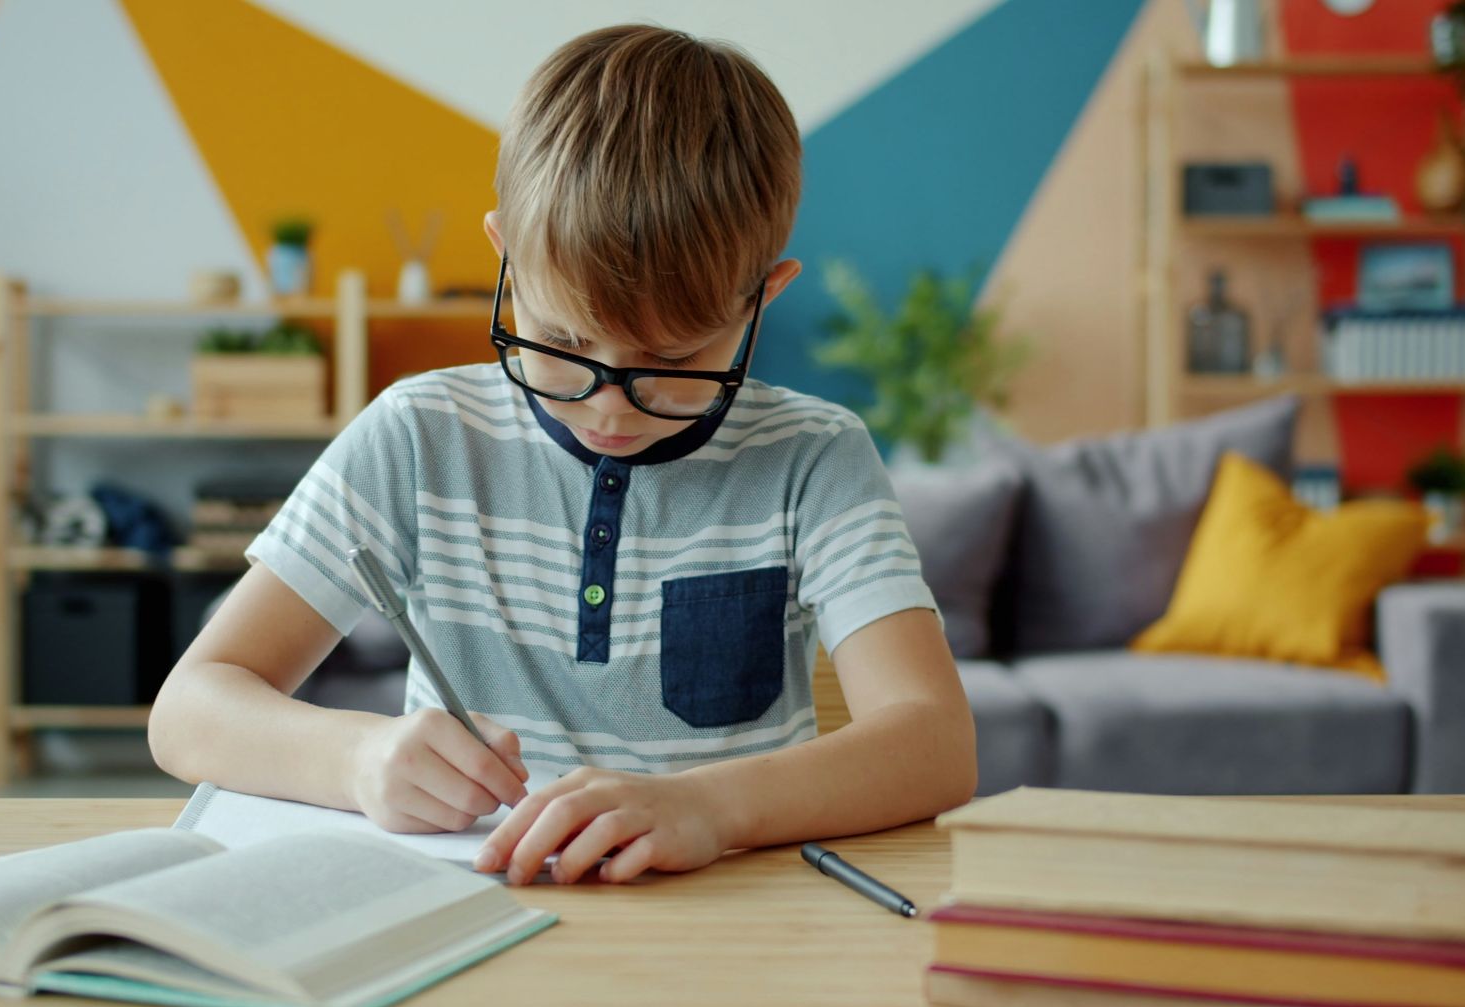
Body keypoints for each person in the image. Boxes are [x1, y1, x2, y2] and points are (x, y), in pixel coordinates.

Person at [149, 24, 977, 888]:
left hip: (731, 927)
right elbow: (189, 711)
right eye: (562, 342)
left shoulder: (815, 457)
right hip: (464, 914)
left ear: (763, 295)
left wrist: (710, 805)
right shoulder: (421, 435)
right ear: (507, 256)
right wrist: (358, 759)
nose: (610, 407)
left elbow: (935, 743)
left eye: (675, 361)